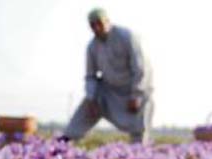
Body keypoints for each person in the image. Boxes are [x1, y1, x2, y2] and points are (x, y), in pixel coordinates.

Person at [61, 9, 153, 144]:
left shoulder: (126, 37)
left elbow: (140, 67)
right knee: (88, 104)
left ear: (107, 22)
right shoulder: (92, 46)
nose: (97, 28)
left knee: (139, 122)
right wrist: (91, 97)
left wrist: (136, 94)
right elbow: (90, 76)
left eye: (99, 23)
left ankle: (139, 154)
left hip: (133, 88)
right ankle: (67, 139)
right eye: (93, 25)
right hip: (110, 90)